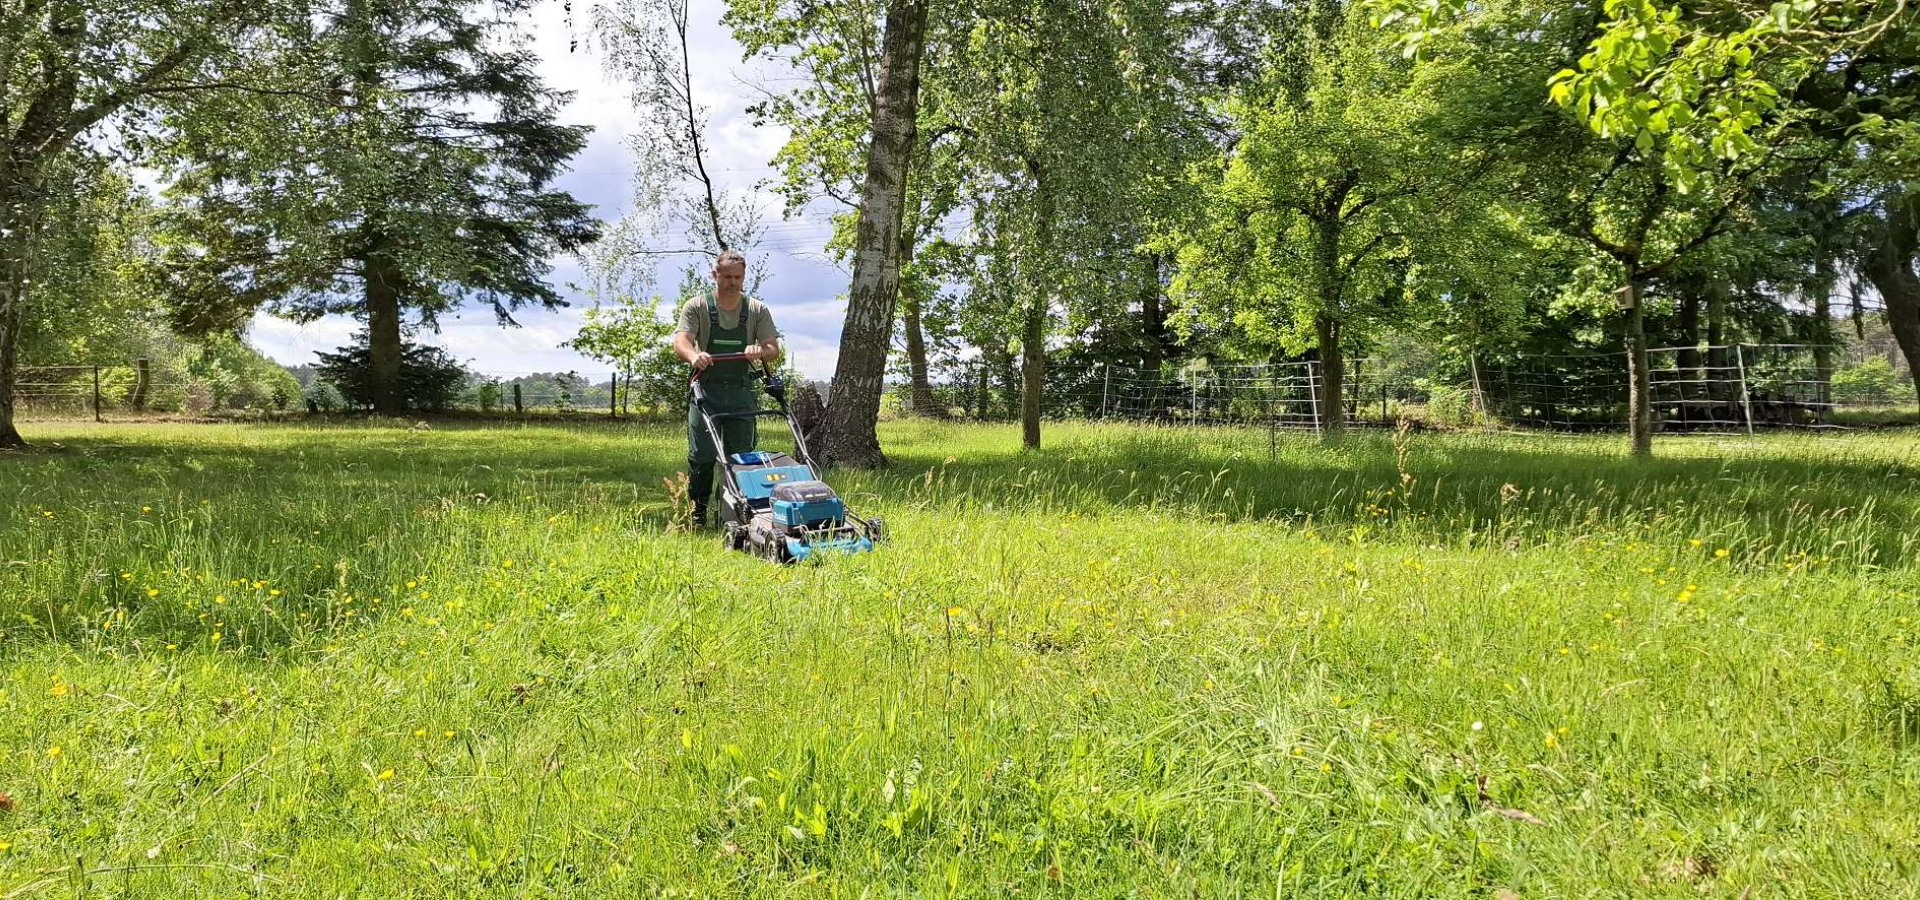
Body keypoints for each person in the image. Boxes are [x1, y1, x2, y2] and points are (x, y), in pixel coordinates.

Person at [672, 249, 781, 527]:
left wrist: (759, 350)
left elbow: (772, 349)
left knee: (741, 457)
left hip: (740, 392)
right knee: (702, 456)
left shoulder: (756, 309)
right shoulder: (697, 306)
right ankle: (698, 511)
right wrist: (694, 356)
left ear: (744, 277)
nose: (733, 282)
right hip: (705, 392)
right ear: (715, 275)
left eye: (738, 277)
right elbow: (681, 341)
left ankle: (732, 512)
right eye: (727, 277)